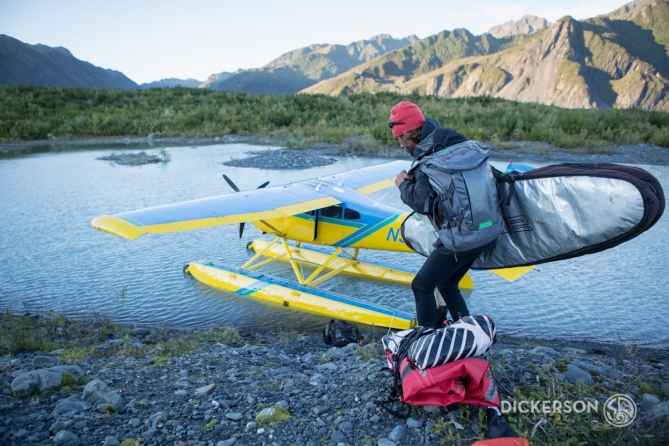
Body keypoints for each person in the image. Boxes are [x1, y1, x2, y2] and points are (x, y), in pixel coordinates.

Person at [390, 101, 495, 328]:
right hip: (487, 228)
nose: (400, 146)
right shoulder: (452, 142)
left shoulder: (428, 161)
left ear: (408, 135)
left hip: (461, 236)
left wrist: (403, 185)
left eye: (399, 139)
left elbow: (421, 203)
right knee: (446, 285)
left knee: (421, 286)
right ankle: (469, 335)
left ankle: (428, 342)